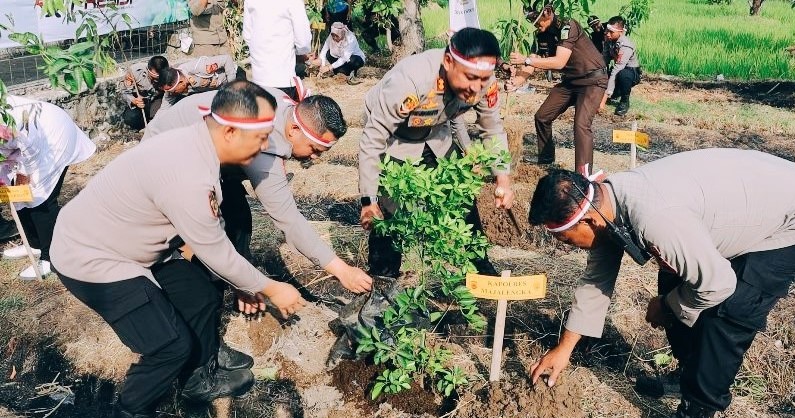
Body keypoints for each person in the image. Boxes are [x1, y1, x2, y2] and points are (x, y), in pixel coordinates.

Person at [51, 81, 307, 418]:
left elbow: (211, 240)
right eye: (262, 137)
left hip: (134, 243)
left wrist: (242, 281)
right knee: (169, 346)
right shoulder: (188, 174)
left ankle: (197, 378)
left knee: (201, 294)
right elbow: (215, 249)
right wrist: (270, 287)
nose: (266, 146)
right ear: (231, 131)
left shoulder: (200, 145)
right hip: (92, 256)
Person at [526, 149, 795, 418]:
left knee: (731, 309)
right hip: (759, 200)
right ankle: (689, 373)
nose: (565, 247)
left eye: (564, 239)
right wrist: (564, 348)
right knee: (673, 275)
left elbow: (717, 284)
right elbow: (596, 279)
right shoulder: (607, 202)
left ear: (590, 221)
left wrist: (669, 305)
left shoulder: (655, 218)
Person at [142, 84, 373, 294]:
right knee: (200, 234)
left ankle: (238, 283)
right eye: (314, 149)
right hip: (166, 155)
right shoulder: (265, 148)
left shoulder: (282, 104)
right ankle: (198, 284)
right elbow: (289, 220)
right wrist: (342, 270)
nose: (314, 158)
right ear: (293, 129)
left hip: (209, 160)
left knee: (239, 220)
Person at [358, 27, 514, 277]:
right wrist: (368, 199)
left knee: (462, 194)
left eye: (483, 80)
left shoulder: (485, 80)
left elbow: (492, 128)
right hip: (394, 137)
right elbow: (374, 137)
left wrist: (502, 178)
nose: (476, 88)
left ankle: (480, 266)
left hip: (435, 133)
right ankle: (383, 279)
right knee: (389, 213)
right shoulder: (411, 80)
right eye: (470, 78)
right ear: (449, 61)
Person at [0, 95, 96, 280]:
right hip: (24, 146)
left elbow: (29, 147)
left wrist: (23, 174)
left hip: (51, 140)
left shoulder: (10, 119)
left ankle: (51, 257)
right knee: (17, 195)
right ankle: (35, 244)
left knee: (39, 199)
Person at [508, 4, 607, 175]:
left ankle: (583, 175)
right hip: (571, 81)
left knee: (581, 125)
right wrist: (517, 80)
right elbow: (534, 59)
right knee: (542, 116)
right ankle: (546, 159)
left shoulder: (567, 26)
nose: (533, 22)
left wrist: (526, 61)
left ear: (547, 12)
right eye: (530, 19)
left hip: (592, 80)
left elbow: (558, 62)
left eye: (535, 18)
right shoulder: (540, 33)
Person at [243, 0, 312, 101]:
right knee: (281, 115)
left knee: (262, 115)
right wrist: (296, 53)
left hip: (259, 77)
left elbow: (248, 36)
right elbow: (303, 43)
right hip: (282, 78)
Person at [155, 55, 239, 116]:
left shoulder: (199, 67)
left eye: (173, 91)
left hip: (234, 79)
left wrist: (231, 87)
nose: (171, 93)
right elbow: (163, 110)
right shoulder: (170, 89)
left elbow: (226, 59)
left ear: (181, 82)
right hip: (217, 91)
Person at [599, 16, 641, 116]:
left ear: (621, 32)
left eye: (611, 32)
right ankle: (613, 93)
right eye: (607, 31)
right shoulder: (608, 40)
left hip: (630, 72)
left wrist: (603, 101)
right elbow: (603, 61)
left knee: (623, 74)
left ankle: (624, 101)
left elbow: (617, 70)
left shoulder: (625, 45)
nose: (608, 34)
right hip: (618, 70)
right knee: (600, 72)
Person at [119, 55, 168, 130]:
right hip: (141, 102)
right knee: (130, 118)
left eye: (159, 78)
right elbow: (125, 92)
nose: (156, 81)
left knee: (161, 118)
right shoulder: (134, 72)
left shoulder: (169, 73)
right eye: (154, 78)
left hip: (157, 100)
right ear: (148, 70)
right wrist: (134, 100)